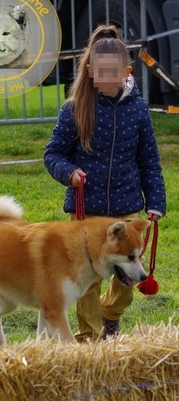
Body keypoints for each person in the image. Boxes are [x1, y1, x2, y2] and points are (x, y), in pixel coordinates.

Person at [44, 24, 166, 341]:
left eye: (116, 73)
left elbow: (149, 160)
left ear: (127, 71)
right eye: (103, 73)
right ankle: (90, 337)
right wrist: (69, 172)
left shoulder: (139, 110)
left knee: (127, 275)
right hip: (87, 212)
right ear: (90, 70)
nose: (110, 80)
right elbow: (53, 153)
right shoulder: (74, 109)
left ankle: (111, 314)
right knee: (88, 280)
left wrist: (156, 202)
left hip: (127, 209)